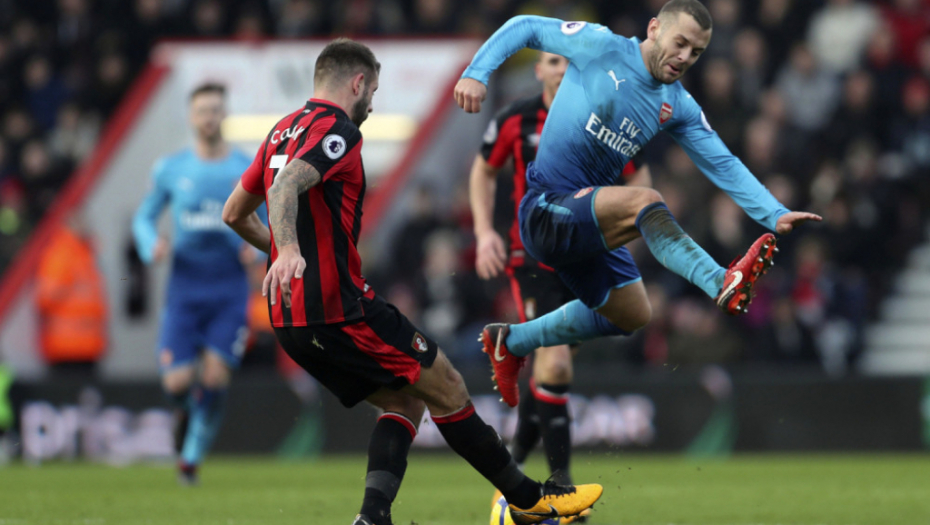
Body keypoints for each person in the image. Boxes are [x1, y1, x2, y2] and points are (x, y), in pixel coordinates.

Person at [222, 38, 602, 525]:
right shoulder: (338, 129)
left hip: (290, 319)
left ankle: (373, 518)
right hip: (339, 309)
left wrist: (285, 254)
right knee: (447, 384)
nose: (371, 104)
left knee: (405, 400)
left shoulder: (280, 130)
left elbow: (234, 213)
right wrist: (292, 251)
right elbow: (284, 186)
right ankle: (529, 501)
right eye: (373, 92)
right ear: (357, 82)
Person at [453, 0, 822, 407]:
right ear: (654, 29)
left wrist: (774, 213)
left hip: (586, 221)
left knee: (633, 313)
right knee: (647, 199)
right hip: (545, 208)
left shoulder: (677, 104)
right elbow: (526, 26)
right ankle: (720, 282)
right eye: (680, 43)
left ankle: (512, 342)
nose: (685, 57)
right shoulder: (600, 45)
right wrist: (477, 73)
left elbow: (722, 162)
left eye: (696, 52)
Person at [470, 51, 650, 493]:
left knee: (549, 367)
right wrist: (484, 232)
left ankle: (513, 462)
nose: (562, 69)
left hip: (585, 255)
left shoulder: (604, 119)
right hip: (532, 256)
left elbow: (639, 177)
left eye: (570, 63)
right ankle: (562, 485)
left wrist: (627, 228)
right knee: (555, 361)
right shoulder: (516, 118)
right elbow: (483, 170)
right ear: (539, 71)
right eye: (553, 61)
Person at [132, 83, 257, 485]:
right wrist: (151, 244)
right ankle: (186, 410)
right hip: (185, 289)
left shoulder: (246, 167)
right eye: (202, 110)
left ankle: (189, 461)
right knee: (177, 383)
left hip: (228, 289)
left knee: (216, 378)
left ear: (225, 114)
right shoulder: (171, 169)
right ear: (191, 117)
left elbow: (272, 219)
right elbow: (143, 217)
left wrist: (256, 251)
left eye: (215, 109)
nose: (209, 117)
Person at [35, 211, 108, 379]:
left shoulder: (86, 254)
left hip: (88, 346)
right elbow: (46, 297)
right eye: (79, 221)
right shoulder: (60, 254)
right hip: (66, 348)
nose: (85, 226)